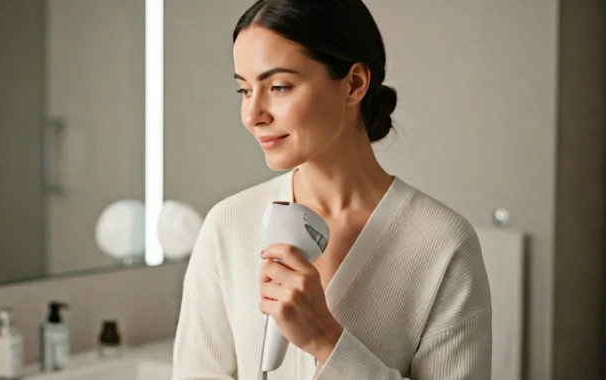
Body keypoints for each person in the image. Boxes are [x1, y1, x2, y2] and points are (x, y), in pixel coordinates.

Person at [172, 0, 492, 379]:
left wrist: (325, 339)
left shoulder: (442, 244)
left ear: (354, 83)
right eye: (244, 90)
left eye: (278, 86)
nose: (252, 115)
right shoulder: (228, 225)